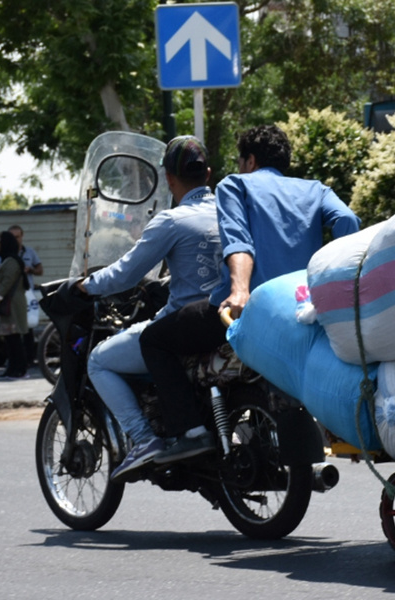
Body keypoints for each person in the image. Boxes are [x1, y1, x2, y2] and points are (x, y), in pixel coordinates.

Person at [140, 124, 361, 464]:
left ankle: (190, 432)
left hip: (252, 309)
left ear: (250, 160)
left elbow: (238, 240)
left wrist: (240, 290)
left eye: (241, 160)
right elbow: (347, 220)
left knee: (154, 339)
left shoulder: (235, 185)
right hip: (302, 308)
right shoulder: (315, 189)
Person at [77, 135, 221, 482]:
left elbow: (126, 273)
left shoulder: (171, 221)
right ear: (209, 174)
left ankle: (143, 441)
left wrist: (85, 286)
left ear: (169, 179)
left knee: (98, 360)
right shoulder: (232, 213)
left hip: (187, 326)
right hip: (232, 318)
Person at [0, 225, 43, 365]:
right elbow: (0, 272)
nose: (15, 239)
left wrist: (30, 270)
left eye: (17, 236)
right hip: (10, 296)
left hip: (25, 292)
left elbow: (40, 269)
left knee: (27, 327)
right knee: (13, 331)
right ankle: (16, 362)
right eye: (12, 237)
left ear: (22, 236)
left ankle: (27, 360)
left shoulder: (29, 252)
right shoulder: (5, 254)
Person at [0, 230, 30, 379]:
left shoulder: (11, 262)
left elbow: (7, 283)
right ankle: (12, 368)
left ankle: (19, 369)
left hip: (12, 304)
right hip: (10, 303)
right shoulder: (7, 260)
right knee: (10, 339)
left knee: (14, 339)